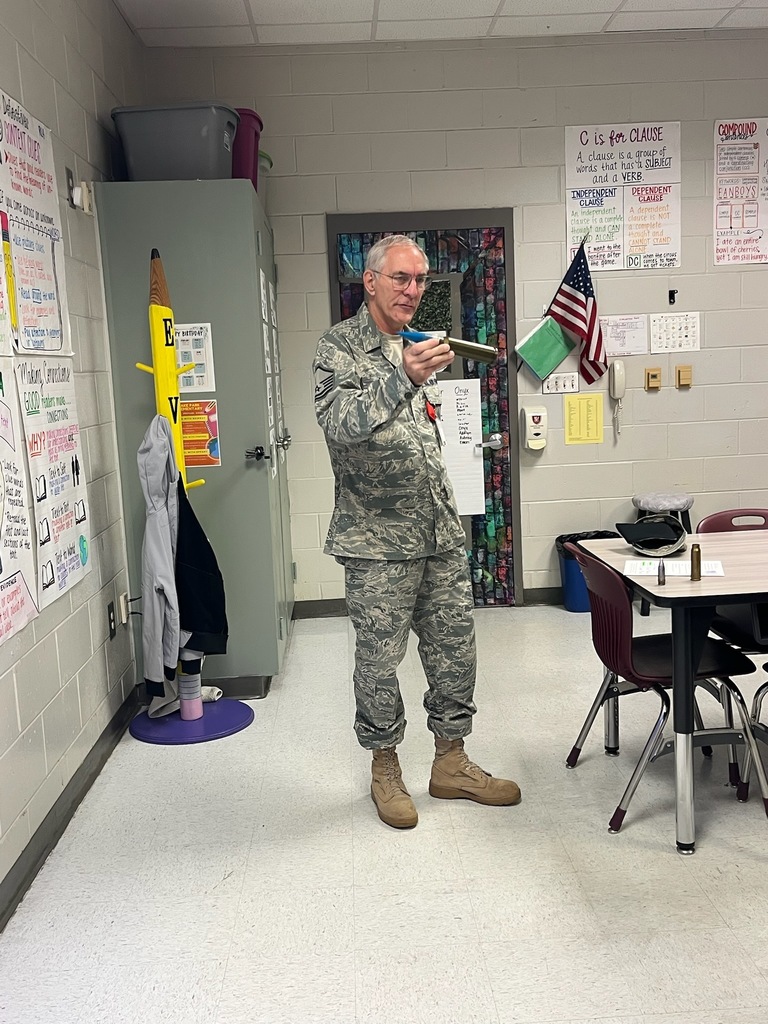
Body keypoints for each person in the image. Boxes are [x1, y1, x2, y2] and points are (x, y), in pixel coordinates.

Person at [313, 234, 520, 829]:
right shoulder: (339, 348)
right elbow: (340, 423)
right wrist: (401, 375)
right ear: (370, 281)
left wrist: (412, 371)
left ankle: (450, 762)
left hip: (438, 531)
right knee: (379, 663)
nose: (412, 290)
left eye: (421, 279)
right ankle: (385, 768)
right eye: (401, 278)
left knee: (455, 651)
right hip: (377, 541)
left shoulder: (417, 341)